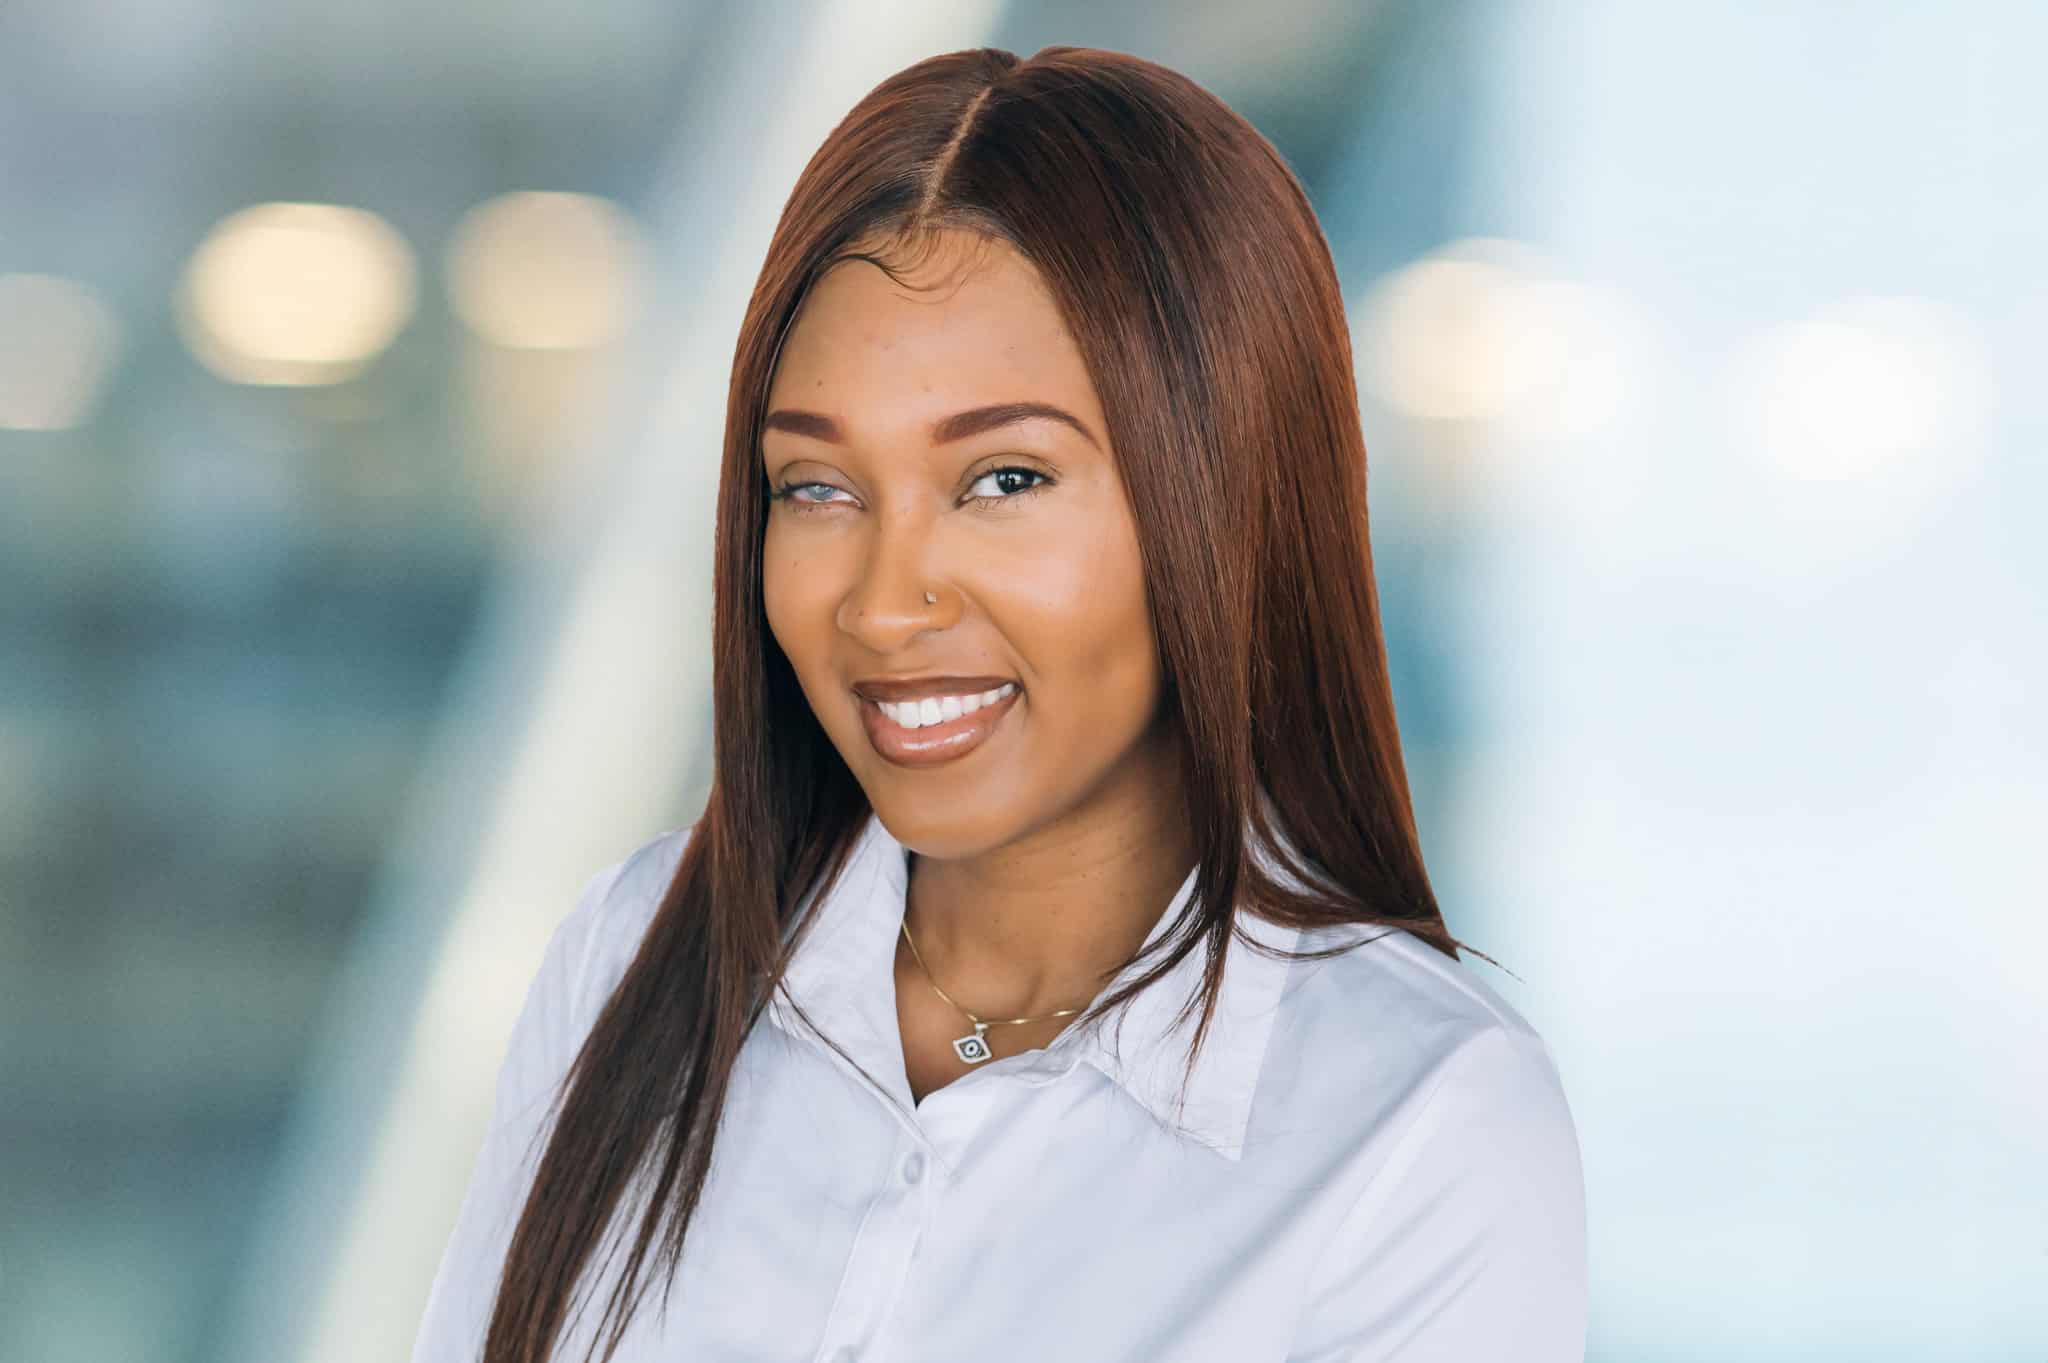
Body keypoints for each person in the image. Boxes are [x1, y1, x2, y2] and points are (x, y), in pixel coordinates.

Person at [412, 43, 1586, 1363]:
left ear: (1223, 496)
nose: (881, 603)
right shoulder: (633, 958)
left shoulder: (1418, 1119)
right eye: (817, 488)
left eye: (1004, 480)